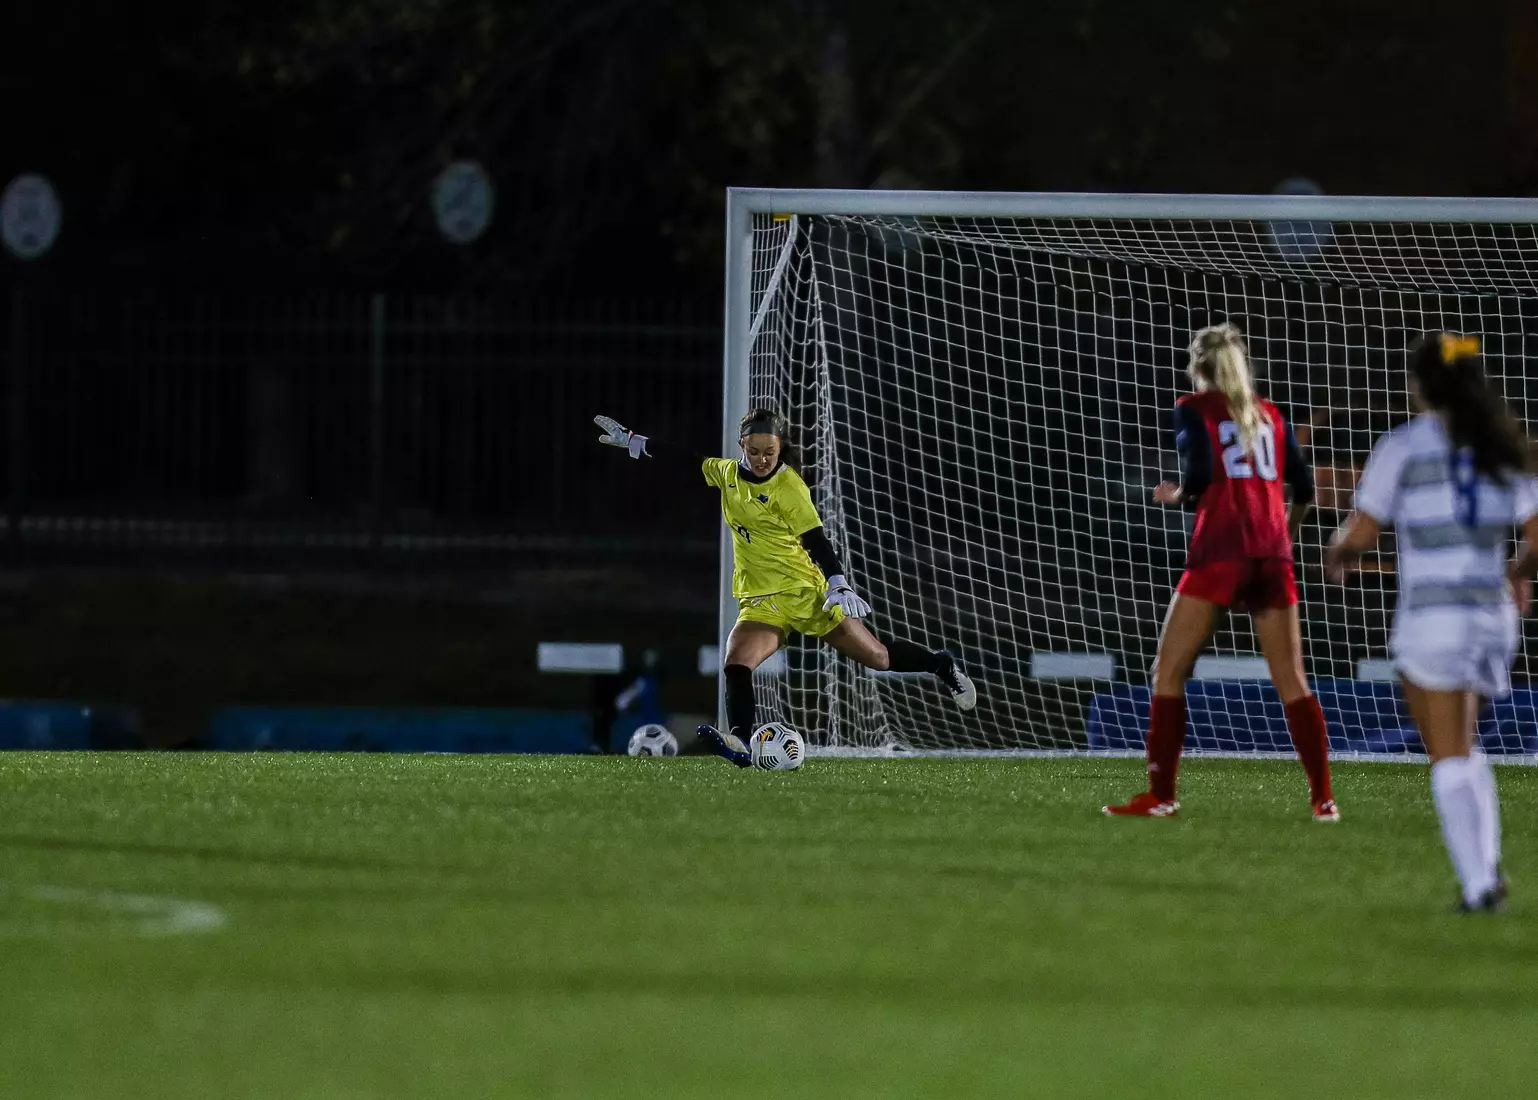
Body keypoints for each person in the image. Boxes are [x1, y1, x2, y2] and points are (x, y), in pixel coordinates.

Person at [594, 408, 976, 765]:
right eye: (755, 450)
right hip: (761, 599)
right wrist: (633, 441)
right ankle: (741, 741)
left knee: (877, 657)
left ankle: (939, 664)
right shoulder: (727, 474)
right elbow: (686, 461)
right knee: (737, 662)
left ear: (781, 449)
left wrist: (837, 583)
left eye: (770, 452)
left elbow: (815, 539)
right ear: (742, 446)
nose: (762, 459)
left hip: (805, 592)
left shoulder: (788, 487)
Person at [1325, 332, 1535, 912]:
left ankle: (1478, 888)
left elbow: (1362, 533)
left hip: (1434, 619)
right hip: (1493, 619)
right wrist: (1517, 571)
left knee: (1446, 753)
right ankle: (1487, 872)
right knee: (1464, 746)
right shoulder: (1505, 446)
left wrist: (1336, 552)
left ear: (1419, 386)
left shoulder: (1404, 446)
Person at [1104, 323, 1336, 819]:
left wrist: (1178, 496)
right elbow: (1306, 490)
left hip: (1220, 548)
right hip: (1271, 552)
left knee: (1167, 671)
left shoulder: (1194, 408)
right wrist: (1284, 536)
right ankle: (1323, 799)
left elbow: (1203, 473)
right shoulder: (1270, 414)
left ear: (1198, 367)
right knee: (1292, 680)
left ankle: (1161, 796)